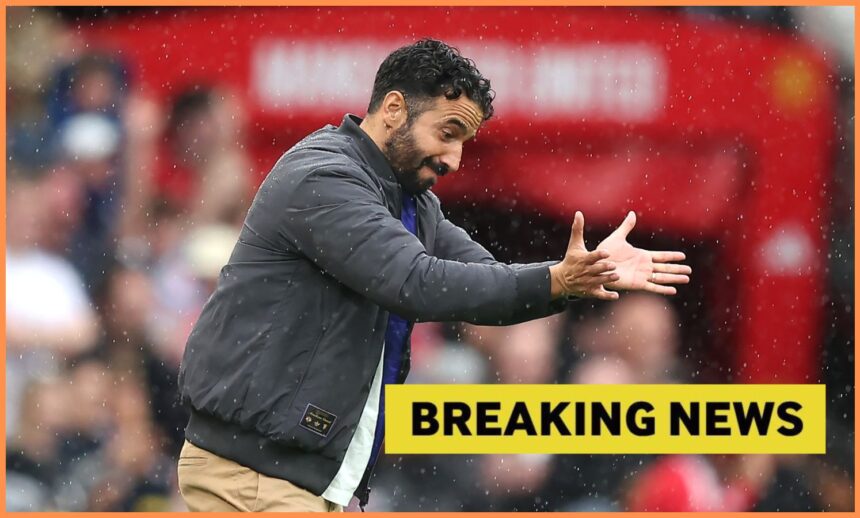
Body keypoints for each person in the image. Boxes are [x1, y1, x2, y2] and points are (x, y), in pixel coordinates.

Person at [176, 38, 691, 512]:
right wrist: (557, 280)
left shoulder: (409, 202)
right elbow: (418, 282)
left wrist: (581, 273)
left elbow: (487, 280)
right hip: (253, 480)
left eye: (464, 140)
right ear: (395, 108)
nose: (454, 158)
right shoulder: (324, 175)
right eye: (448, 133)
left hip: (308, 485)